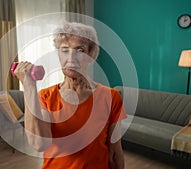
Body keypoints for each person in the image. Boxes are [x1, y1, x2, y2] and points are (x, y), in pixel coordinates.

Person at [14, 22, 127, 169]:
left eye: (80, 51)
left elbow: (114, 153)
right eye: (65, 50)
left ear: (91, 55)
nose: (71, 58)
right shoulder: (46, 97)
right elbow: (39, 143)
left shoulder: (111, 97)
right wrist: (29, 87)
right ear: (59, 55)